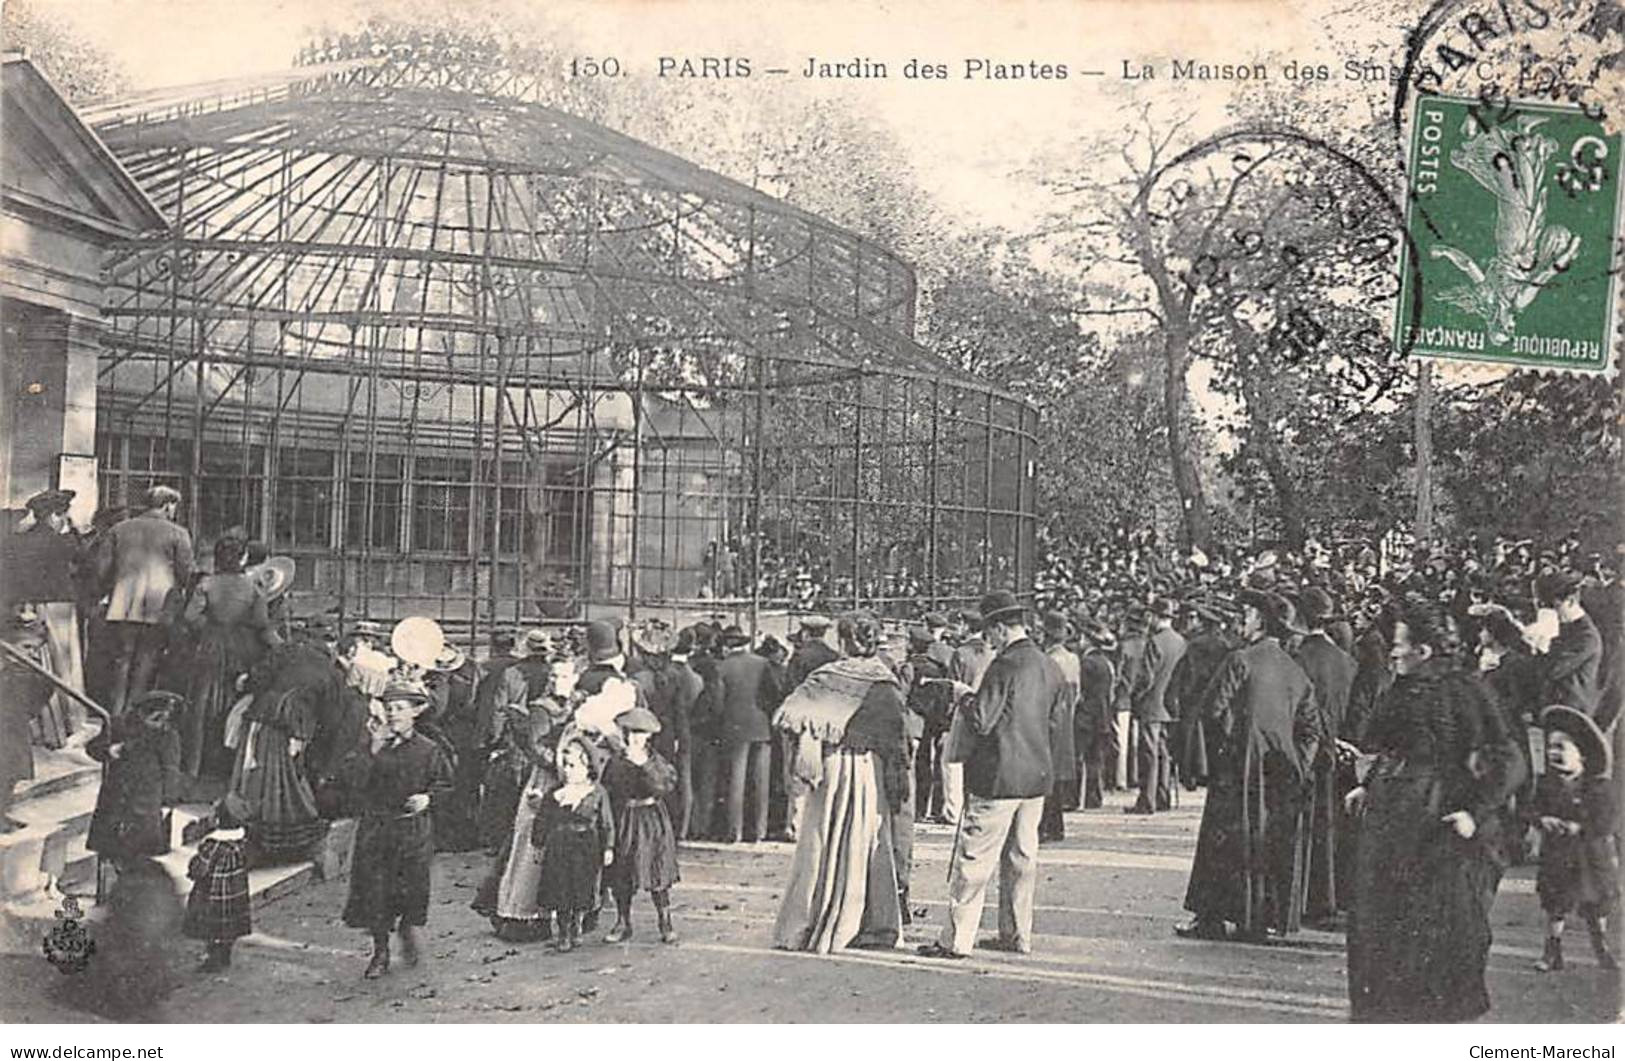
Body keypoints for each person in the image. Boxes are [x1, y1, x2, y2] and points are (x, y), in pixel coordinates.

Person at [1344, 600, 1523, 1022]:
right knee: (1378, 929)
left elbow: (1509, 760)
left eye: (1400, 644)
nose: (1392, 651)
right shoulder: (1399, 687)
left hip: (1437, 831)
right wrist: (1365, 785)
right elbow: (1391, 747)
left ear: (1424, 651)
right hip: (1391, 829)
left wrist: (1473, 813)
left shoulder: (1466, 690)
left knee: (1435, 935)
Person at [920, 590, 1069, 960]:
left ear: (1002, 629)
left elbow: (982, 719)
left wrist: (962, 695)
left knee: (974, 859)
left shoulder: (1005, 666)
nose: (987, 639)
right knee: (1022, 858)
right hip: (1035, 776)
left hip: (998, 775)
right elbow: (1056, 721)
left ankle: (956, 940)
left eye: (989, 631)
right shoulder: (1049, 664)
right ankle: (1017, 933)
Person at [1176, 590, 1320, 942]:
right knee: (1263, 840)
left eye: (1247, 613)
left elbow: (1212, 710)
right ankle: (1255, 919)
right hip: (1277, 771)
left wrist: (1226, 749)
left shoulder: (1240, 660)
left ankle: (1210, 918)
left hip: (1237, 769)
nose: (1241, 618)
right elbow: (1312, 727)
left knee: (1222, 842)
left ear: (1261, 620)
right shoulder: (1295, 670)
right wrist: (1296, 764)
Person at [773, 612, 908, 953]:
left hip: (831, 767)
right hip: (867, 770)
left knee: (822, 839)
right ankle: (861, 922)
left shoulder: (825, 676)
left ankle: (813, 919)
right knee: (863, 843)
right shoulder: (885, 682)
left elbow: (791, 713)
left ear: (844, 641)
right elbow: (895, 736)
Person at [340, 679, 454, 978]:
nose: (393, 715)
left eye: (400, 708)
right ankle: (380, 952)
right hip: (377, 830)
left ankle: (406, 927)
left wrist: (427, 799)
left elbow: (446, 784)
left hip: (412, 832)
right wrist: (373, 750)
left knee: (411, 890)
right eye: (389, 708)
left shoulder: (429, 749)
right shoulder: (371, 746)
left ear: (415, 712)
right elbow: (352, 783)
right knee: (376, 893)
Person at [180, 537, 281, 779]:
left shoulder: (206, 584)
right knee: (233, 703)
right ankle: (226, 769)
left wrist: (212, 628)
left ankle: (195, 767)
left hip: (210, 647)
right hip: (242, 649)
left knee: (201, 703)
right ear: (242, 558)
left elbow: (189, 617)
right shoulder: (252, 588)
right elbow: (261, 624)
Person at [1529, 705, 1618, 972]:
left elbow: (1608, 821)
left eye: (1562, 748)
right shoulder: (1546, 784)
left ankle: (1601, 948)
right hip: (1559, 853)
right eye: (1551, 747)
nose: (1553, 753)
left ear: (1582, 755)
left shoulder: (1599, 787)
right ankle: (1552, 950)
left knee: (1597, 902)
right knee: (1555, 901)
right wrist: (1542, 820)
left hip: (1592, 854)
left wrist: (1581, 828)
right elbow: (1532, 809)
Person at [98, 485, 193, 715]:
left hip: (122, 605)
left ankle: (115, 712)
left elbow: (102, 570)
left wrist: (116, 586)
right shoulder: (178, 533)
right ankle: (134, 713)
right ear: (168, 505)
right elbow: (185, 572)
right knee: (147, 661)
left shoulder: (118, 529)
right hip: (159, 607)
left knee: (122, 659)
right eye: (173, 506)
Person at [3, 489, 88, 745]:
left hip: (22, 607)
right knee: (63, 666)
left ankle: (34, 728)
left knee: (28, 664)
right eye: (63, 515)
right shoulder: (64, 543)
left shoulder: (14, 541)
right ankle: (64, 727)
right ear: (54, 516)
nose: (65, 520)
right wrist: (73, 530)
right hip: (58, 606)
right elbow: (86, 561)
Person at [1293, 587, 1357, 924]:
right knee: (1332, 826)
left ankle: (1303, 898)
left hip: (1305, 749)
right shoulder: (1346, 661)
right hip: (1337, 749)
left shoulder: (1298, 658)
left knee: (1305, 826)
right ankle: (1331, 898)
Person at [601, 707, 681, 944]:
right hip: (625, 818)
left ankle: (665, 920)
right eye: (631, 733)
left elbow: (664, 787)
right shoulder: (616, 761)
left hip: (651, 818)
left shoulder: (657, 761)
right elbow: (608, 789)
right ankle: (623, 921)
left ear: (649, 736)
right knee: (622, 871)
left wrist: (643, 765)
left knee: (657, 870)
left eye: (641, 733)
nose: (636, 738)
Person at [532, 734, 615, 953]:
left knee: (581, 888)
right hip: (559, 845)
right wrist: (538, 845)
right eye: (566, 765)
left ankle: (577, 924)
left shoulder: (597, 793)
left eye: (573, 765)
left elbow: (606, 823)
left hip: (585, 847)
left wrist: (608, 847)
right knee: (560, 890)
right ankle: (563, 932)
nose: (568, 770)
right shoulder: (556, 794)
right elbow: (543, 820)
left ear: (587, 767)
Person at [86, 691, 184, 865]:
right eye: (157, 716)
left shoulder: (168, 736)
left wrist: (169, 802)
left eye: (165, 717)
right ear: (143, 712)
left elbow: (171, 771)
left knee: (142, 855)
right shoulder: (119, 726)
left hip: (146, 803)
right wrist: (108, 751)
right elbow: (92, 747)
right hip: (115, 798)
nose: (161, 722)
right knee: (112, 850)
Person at [714, 624, 780, 843]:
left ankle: (735, 831)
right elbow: (774, 693)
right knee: (760, 781)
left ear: (726, 646)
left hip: (734, 728)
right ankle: (759, 831)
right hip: (761, 727)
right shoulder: (763, 664)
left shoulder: (721, 668)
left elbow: (717, 703)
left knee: (736, 781)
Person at [1127, 598, 1185, 815]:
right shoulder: (1180, 641)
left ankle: (1147, 800)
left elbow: (1146, 677)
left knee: (1148, 754)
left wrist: (1137, 697)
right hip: (1169, 705)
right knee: (1163, 753)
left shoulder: (1155, 642)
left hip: (1151, 704)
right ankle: (1163, 796)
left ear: (1155, 617)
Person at [184, 793, 252, 972]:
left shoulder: (213, 845)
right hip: (235, 891)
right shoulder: (240, 842)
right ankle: (225, 955)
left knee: (212, 928)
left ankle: (213, 960)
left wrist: (192, 869)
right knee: (229, 927)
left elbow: (200, 868)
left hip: (213, 893)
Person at [1537, 571, 1603, 716]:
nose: (1551, 613)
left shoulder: (1586, 637)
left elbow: (1553, 670)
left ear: (1571, 601)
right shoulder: (1564, 626)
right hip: (1554, 706)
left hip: (1573, 712)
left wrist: (1540, 642)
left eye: (1556, 607)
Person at [1038, 611, 1080, 840]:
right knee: (1057, 772)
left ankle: (1046, 825)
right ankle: (1056, 825)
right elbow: (1077, 693)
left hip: (1050, 720)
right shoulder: (1073, 659)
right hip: (1067, 718)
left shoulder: (1048, 661)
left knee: (1046, 772)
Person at [1074, 619, 1118, 810]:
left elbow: (1081, 691)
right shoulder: (1107, 663)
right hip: (1104, 714)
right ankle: (1094, 797)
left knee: (1080, 758)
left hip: (1086, 716)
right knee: (1096, 760)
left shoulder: (1087, 663)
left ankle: (1076, 798)